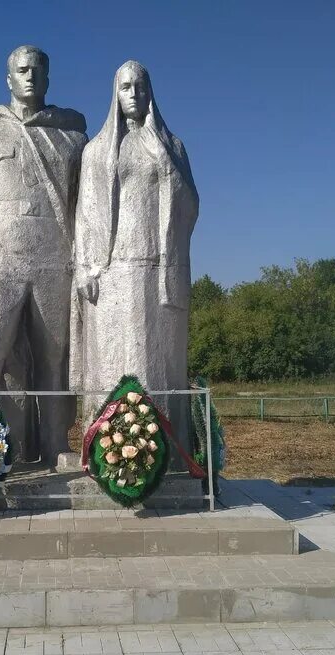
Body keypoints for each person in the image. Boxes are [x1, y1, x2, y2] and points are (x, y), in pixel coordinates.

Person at [0, 45, 87, 464]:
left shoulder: (72, 134)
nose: (29, 77)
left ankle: (56, 447)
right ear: (8, 79)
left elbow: (87, 203)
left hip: (55, 260)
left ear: (47, 79)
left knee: (54, 357)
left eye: (37, 71)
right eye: (21, 71)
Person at [73, 61, 198, 445]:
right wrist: (85, 268)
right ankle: (106, 449)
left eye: (140, 87)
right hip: (109, 272)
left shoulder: (172, 145)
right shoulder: (96, 151)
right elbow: (85, 213)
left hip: (157, 268)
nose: (133, 95)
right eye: (125, 87)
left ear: (150, 93)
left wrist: (166, 165)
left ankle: (166, 449)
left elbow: (191, 206)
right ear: (115, 93)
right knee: (112, 362)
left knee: (158, 363)